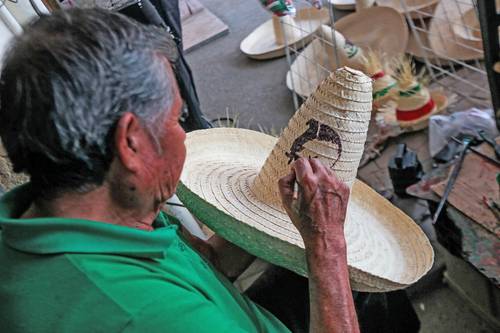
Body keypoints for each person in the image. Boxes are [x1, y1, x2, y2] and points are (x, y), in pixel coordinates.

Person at [0, 8, 358, 333]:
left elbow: (208, 264)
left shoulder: (87, 210)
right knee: (353, 288)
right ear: (131, 143)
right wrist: (327, 245)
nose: (182, 134)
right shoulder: (145, 314)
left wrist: (265, 199)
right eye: (175, 118)